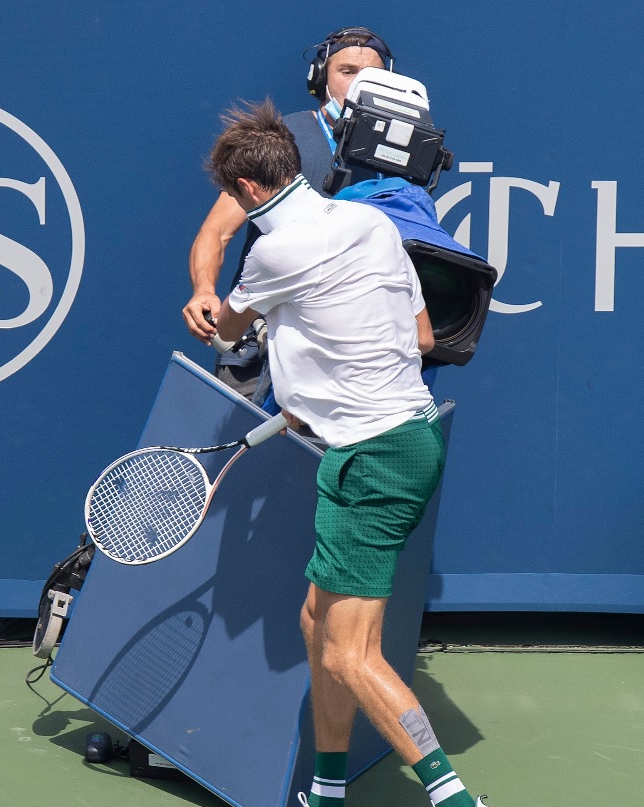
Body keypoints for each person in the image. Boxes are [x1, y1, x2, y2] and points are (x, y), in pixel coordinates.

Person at [206, 101, 487, 807]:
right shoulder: (370, 223)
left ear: (245, 191)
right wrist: (324, 375)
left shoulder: (272, 252)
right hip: (393, 440)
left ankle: (455, 800)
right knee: (315, 621)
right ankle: (326, 792)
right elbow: (419, 337)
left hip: (374, 457)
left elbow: (230, 329)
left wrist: (214, 309)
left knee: (348, 653)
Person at [183, 27, 393, 394]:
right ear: (320, 79)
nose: (360, 85)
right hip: (256, 358)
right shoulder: (284, 140)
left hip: (348, 366)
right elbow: (217, 231)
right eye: (347, 72)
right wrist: (204, 289)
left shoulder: (399, 161)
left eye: (372, 76)